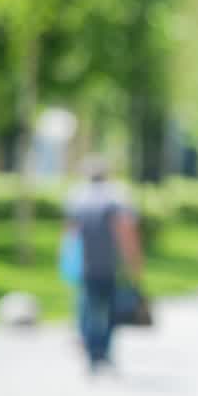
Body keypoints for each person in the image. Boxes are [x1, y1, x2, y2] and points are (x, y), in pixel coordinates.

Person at [62, 155, 144, 375]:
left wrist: (67, 262)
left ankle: (91, 350)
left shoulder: (78, 198)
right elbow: (125, 232)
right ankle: (102, 351)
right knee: (108, 310)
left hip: (85, 264)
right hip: (108, 264)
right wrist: (134, 262)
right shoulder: (114, 199)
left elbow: (70, 233)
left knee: (86, 308)